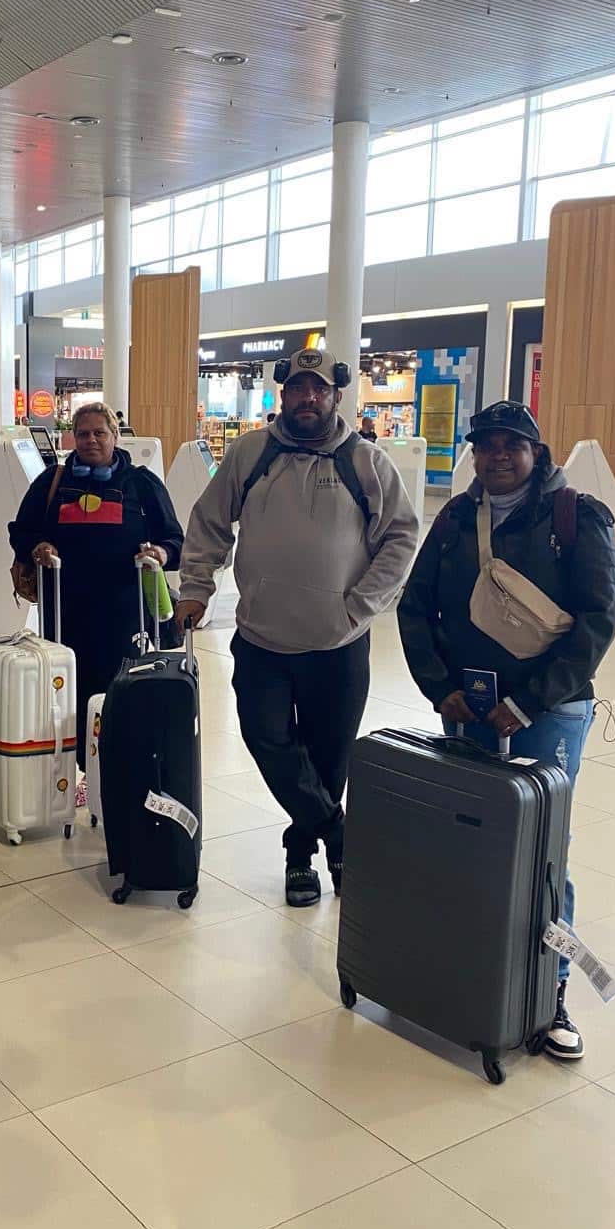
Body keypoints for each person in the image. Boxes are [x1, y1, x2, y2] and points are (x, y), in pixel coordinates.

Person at [397, 399, 615, 1060]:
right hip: (469, 709)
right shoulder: (455, 520)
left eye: (511, 445)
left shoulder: (575, 517)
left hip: (549, 713)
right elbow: (414, 608)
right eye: (486, 444)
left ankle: (548, 994)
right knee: (468, 838)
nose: (497, 456)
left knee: (542, 848)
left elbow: (597, 620)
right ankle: (471, 975)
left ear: (536, 451)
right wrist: (441, 688)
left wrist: (527, 703)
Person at [174, 346, 420, 907]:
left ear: (335, 396)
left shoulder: (366, 462)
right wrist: (195, 587)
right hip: (262, 638)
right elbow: (209, 523)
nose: (308, 399)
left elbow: (402, 536)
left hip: (338, 643)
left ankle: (302, 856)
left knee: (330, 756)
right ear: (282, 395)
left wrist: (360, 606)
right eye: (297, 390)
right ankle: (339, 834)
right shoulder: (250, 454)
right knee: (266, 739)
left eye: (319, 390)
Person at [9, 401, 184, 773]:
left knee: (117, 695)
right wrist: (36, 546)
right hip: (65, 614)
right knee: (67, 694)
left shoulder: (141, 484)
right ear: (73, 437)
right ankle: (68, 773)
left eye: (99, 433)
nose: (90, 440)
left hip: (125, 616)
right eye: (83, 433)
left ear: (115, 437)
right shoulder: (53, 482)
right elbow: (20, 531)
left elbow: (175, 540)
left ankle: (114, 774)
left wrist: (161, 554)